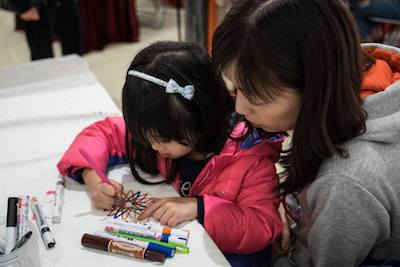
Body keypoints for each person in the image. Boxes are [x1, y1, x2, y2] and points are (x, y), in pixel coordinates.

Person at [57, 41, 284, 266]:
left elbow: (262, 225)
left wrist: (199, 207)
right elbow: (103, 133)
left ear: (200, 115)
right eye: (146, 137)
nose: (153, 147)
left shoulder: (251, 156)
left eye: (161, 139)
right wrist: (93, 179)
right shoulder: (162, 130)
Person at [212, 0, 400, 266]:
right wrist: (290, 206)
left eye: (255, 94)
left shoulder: (344, 182)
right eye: (236, 88)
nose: (240, 107)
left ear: (314, 86)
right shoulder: (362, 75)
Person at [12, 0, 82, 60]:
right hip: (36, 5)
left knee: (74, 45)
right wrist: (22, 5)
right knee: (42, 55)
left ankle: (77, 74)